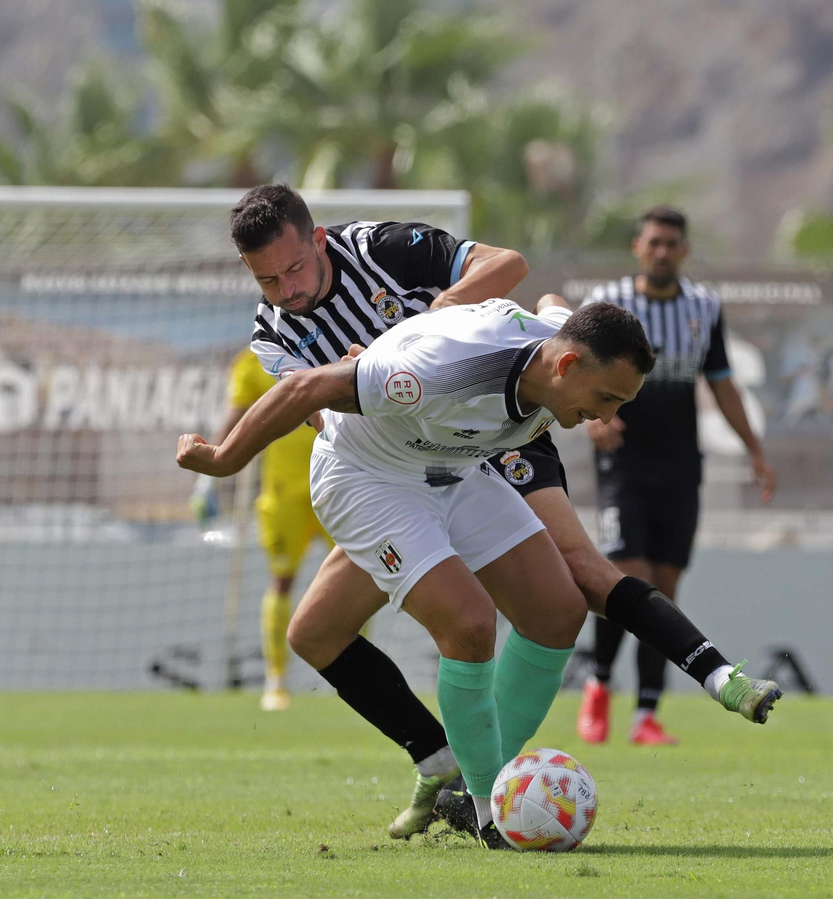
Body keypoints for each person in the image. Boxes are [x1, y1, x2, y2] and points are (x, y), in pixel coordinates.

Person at [227, 185, 779, 840]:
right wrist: (225, 457)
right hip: (393, 456)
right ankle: (478, 788)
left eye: (294, 268)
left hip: (483, 439)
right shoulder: (321, 346)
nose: (287, 290)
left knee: (561, 597)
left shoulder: (382, 251)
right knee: (489, 603)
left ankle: (462, 775)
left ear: (318, 241)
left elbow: (517, 274)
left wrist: (443, 312)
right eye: (268, 280)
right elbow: (314, 402)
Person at [177, 297, 650, 849]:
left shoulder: (557, 344)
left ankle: (452, 764)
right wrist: (225, 461)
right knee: (469, 623)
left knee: (559, 611)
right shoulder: (444, 367)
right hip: (366, 478)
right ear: (567, 366)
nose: (608, 417)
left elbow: (541, 296)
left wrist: (545, 303)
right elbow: (305, 387)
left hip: (447, 468)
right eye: (607, 399)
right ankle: (486, 812)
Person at [577, 206, 777, 746]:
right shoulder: (609, 301)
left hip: (680, 466)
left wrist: (755, 449)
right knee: (626, 579)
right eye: (654, 242)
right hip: (623, 464)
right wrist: (594, 419)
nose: (662, 252)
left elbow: (722, 383)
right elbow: (571, 368)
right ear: (638, 247)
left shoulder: (703, 307)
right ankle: (598, 684)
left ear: (684, 250)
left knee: (664, 590)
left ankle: (646, 714)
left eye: (672, 244)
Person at [190, 348, 328, 711]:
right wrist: (207, 483)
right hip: (284, 492)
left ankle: (355, 678)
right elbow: (235, 417)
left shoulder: (335, 340)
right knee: (282, 580)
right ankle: (276, 681)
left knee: (362, 577)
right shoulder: (253, 363)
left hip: (341, 484)